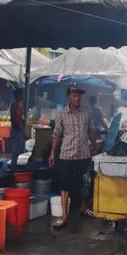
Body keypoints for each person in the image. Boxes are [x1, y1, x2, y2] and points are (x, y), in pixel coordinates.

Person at [48, 83, 98, 228]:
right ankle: (64, 216)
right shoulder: (62, 113)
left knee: (85, 182)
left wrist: (95, 148)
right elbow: (56, 134)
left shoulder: (87, 111)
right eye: (74, 96)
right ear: (68, 97)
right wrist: (52, 153)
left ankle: (83, 206)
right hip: (66, 154)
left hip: (83, 153)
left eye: (79, 96)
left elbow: (92, 131)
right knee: (65, 184)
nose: (77, 98)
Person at [9, 88, 27, 170]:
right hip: (17, 131)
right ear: (19, 96)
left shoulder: (14, 105)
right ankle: (13, 168)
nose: (23, 96)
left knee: (16, 150)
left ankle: (14, 167)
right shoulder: (17, 107)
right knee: (16, 151)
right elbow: (18, 121)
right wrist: (23, 133)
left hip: (15, 130)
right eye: (22, 94)